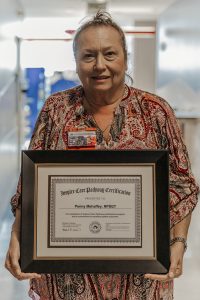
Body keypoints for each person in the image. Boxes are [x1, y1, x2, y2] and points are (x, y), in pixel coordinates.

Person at [5, 11, 199, 300]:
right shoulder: (56, 109)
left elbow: (183, 185)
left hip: (139, 280)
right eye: (88, 56)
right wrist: (17, 238)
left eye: (110, 54)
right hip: (66, 278)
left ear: (125, 57)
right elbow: (31, 184)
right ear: (76, 61)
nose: (100, 66)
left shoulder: (156, 111)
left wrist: (179, 243)